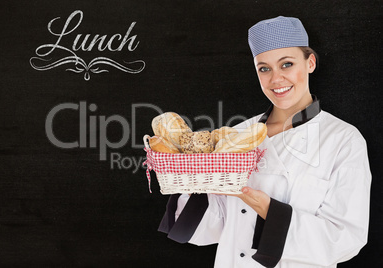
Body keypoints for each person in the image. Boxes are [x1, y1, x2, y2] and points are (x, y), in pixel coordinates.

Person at [158, 16, 372, 268]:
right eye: (264, 68)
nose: (276, 79)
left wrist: (271, 213)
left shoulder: (342, 139)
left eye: (287, 64)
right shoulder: (235, 135)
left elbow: (347, 239)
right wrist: (191, 181)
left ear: (310, 63)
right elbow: (215, 227)